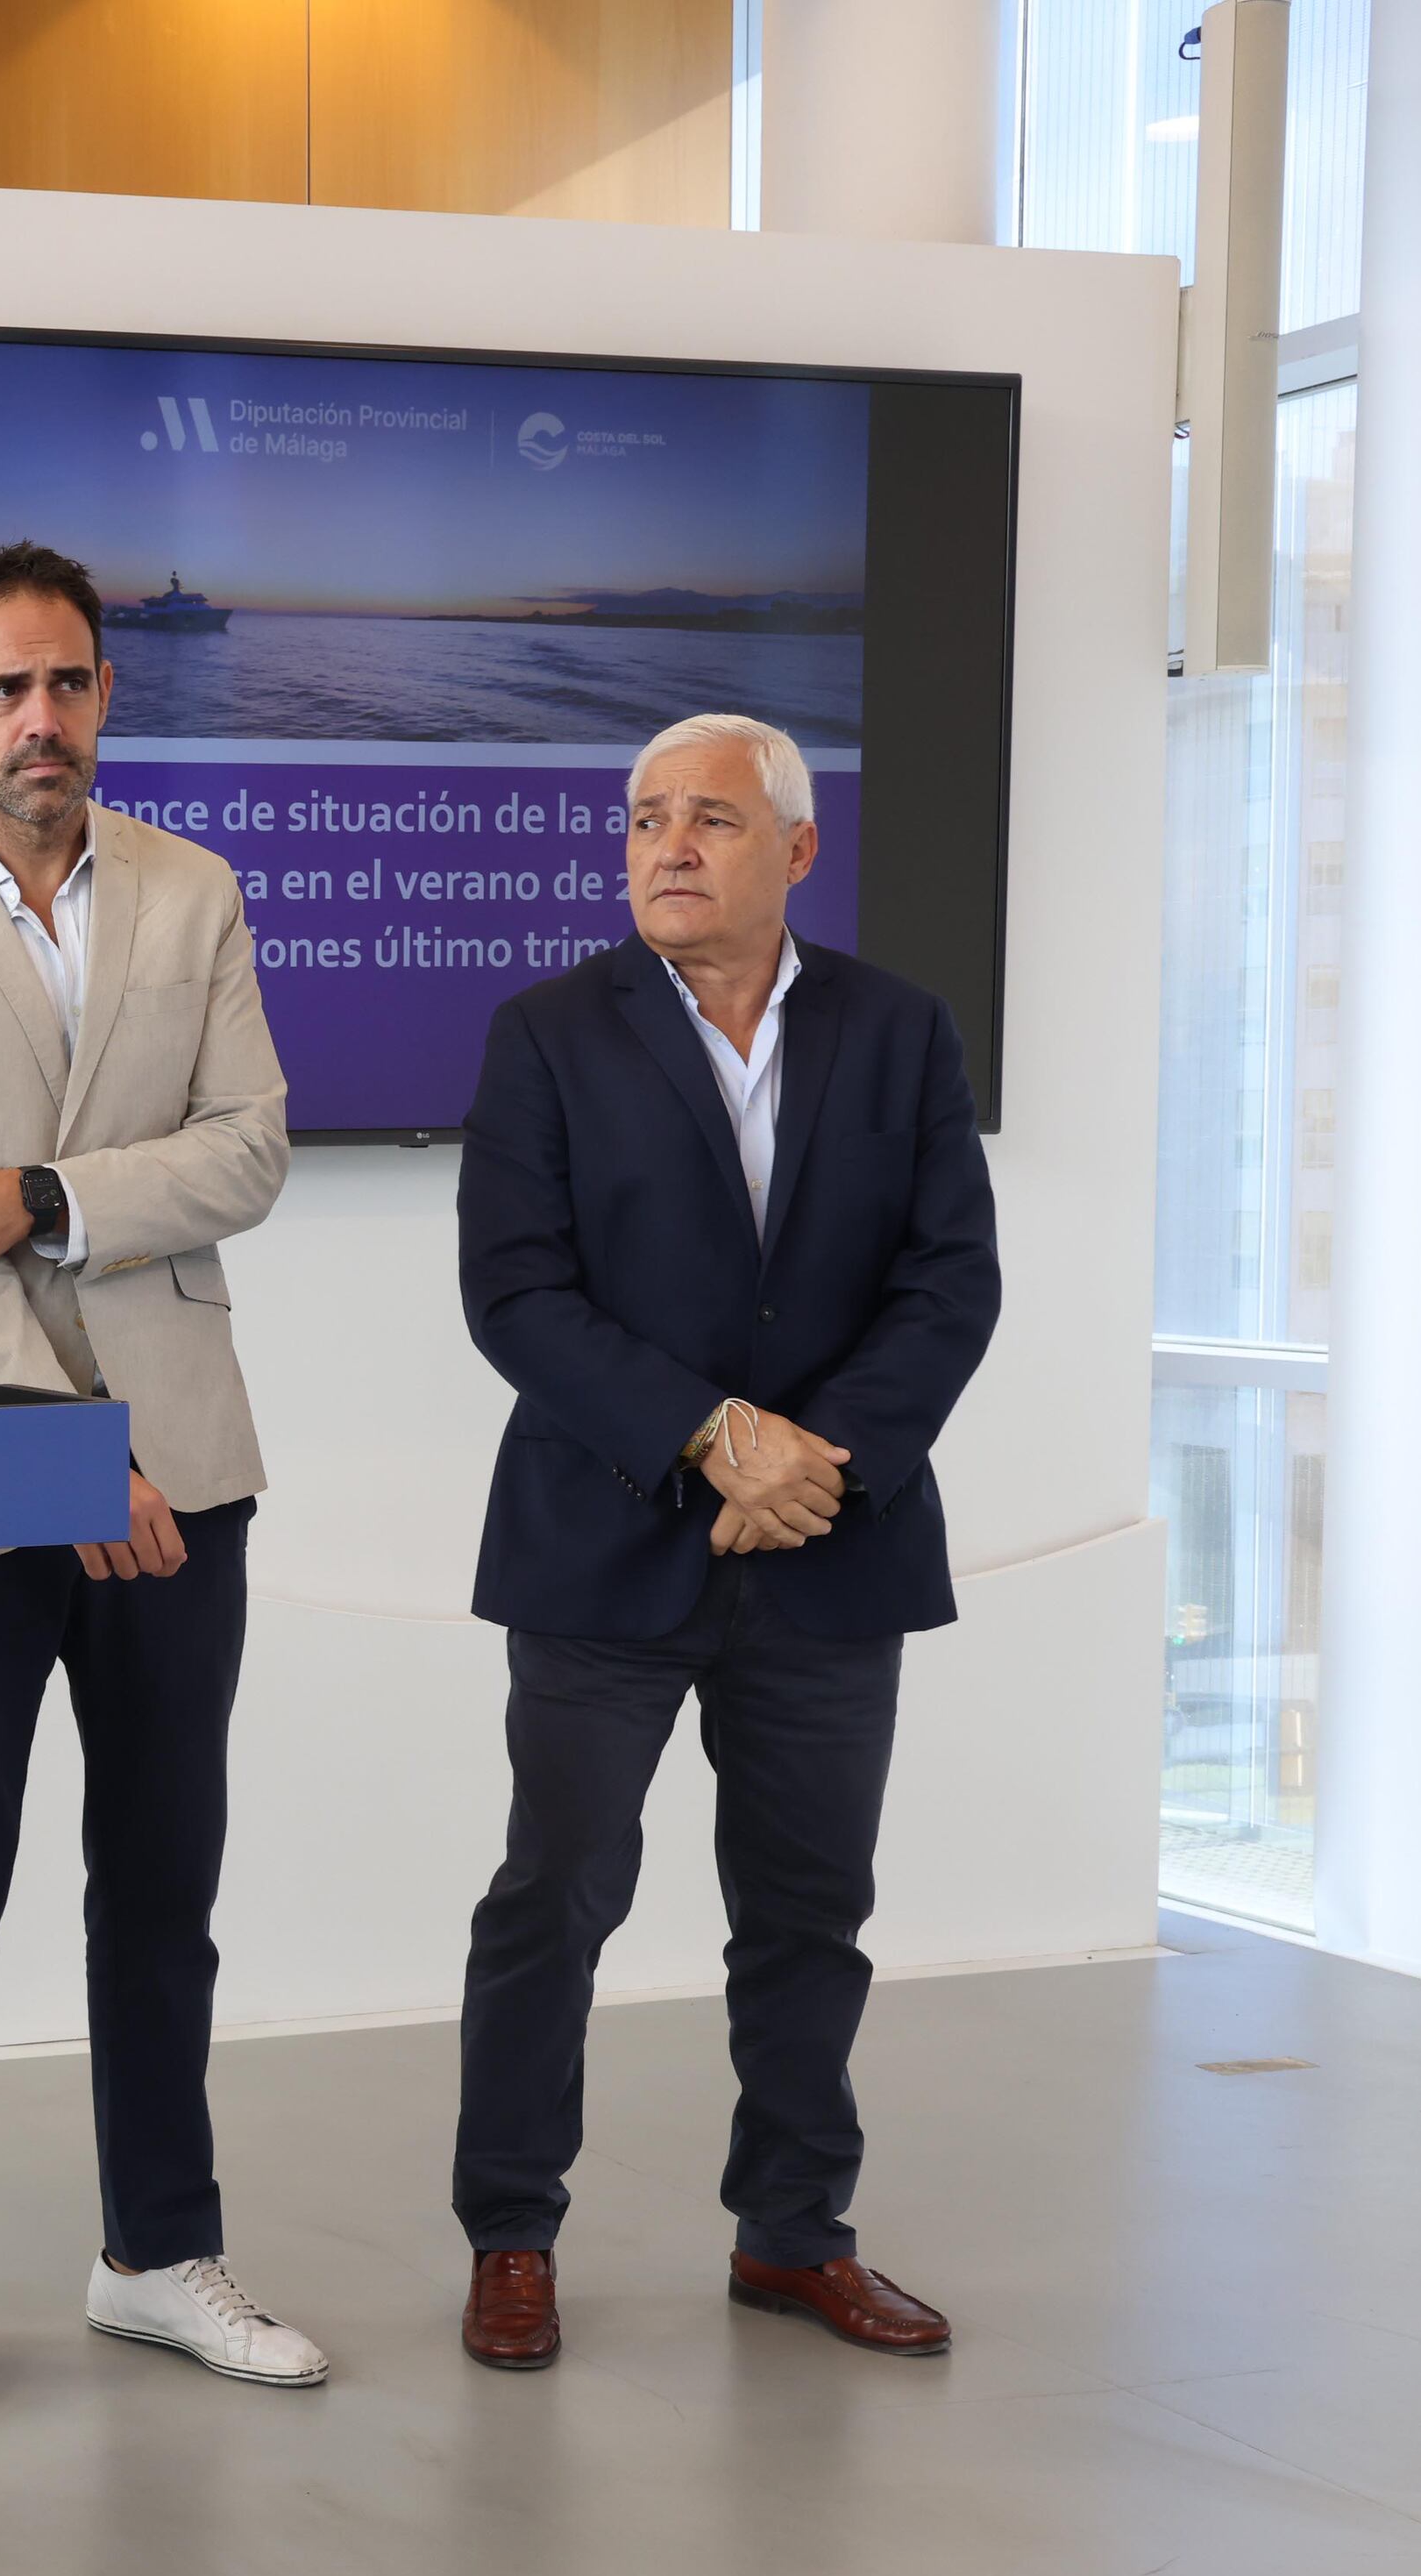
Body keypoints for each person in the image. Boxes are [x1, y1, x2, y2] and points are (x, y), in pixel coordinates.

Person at [0, 541, 320, 2433]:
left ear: (107, 697)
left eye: (72, 684)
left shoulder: (193, 891)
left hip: (190, 1457)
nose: (43, 719)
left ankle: (153, 2252)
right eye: (6, 688)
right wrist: (57, 1452)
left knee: (160, 1885)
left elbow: (250, 1150)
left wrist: (33, 1192)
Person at [447, 710, 1000, 2370]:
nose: (667, 847)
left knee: (811, 1906)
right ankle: (512, 2234)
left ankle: (792, 2234)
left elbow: (948, 1279)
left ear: (797, 849)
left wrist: (817, 1459)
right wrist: (713, 1436)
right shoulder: (546, 1032)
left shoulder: (901, 1031)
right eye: (644, 820)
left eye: (708, 819)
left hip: (833, 1541)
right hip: (608, 1539)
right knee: (557, 1893)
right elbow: (516, 1292)